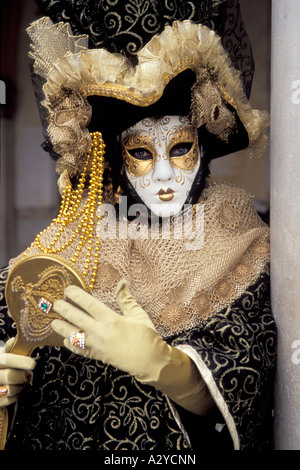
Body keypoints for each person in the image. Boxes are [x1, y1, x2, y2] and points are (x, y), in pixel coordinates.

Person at [0, 0, 276, 451]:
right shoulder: (66, 243)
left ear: (204, 146)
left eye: (181, 147)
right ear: (114, 159)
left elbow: (251, 372)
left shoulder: (244, 246)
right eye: (142, 152)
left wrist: (170, 368)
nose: (165, 176)